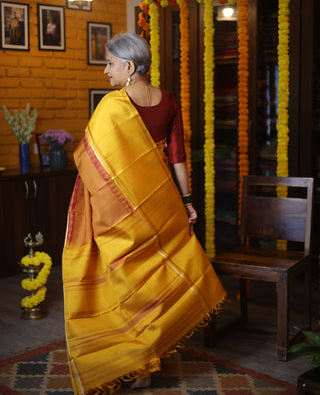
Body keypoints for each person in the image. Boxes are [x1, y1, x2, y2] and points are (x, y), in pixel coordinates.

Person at [62, 32, 226, 394]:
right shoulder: (167, 100)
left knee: (126, 280)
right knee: (156, 279)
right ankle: (149, 355)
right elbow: (178, 156)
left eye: (109, 64)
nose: (105, 71)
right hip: (161, 200)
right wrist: (185, 201)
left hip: (123, 207)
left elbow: (92, 163)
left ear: (129, 66)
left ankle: (137, 363)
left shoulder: (112, 105)